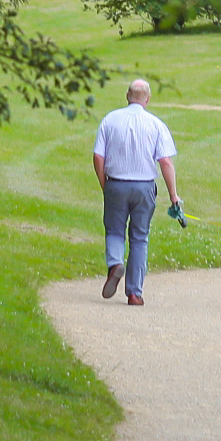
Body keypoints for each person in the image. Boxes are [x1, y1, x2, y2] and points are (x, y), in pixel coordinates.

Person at [92, 79, 181, 306]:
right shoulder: (156, 124)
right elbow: (166, 163)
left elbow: (98, 156)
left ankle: (114, 264)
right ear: (147, 99)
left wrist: (105, 184)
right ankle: (134, 293)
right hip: (144, 187)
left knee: (114, 230)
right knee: (140, 237)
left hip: (116, 183)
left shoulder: (110, 120)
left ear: (127, 96)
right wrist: (173, 196)